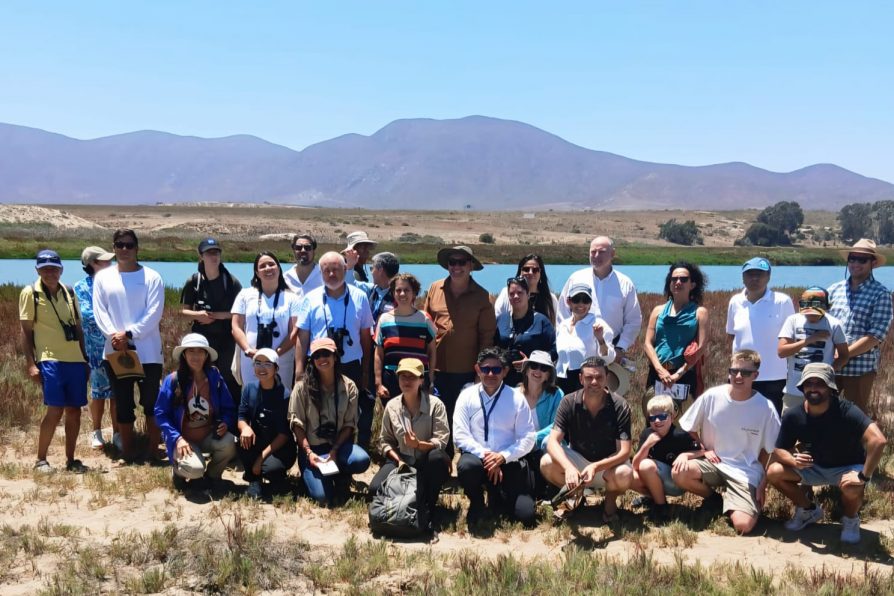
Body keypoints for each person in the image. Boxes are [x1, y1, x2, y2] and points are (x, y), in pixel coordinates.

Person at [767, 363, 887, 544]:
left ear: (830, 387)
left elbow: (878, 440)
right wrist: (793, 460)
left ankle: (850, 519)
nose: (814, 388)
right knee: (774, 472)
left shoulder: (846, 410)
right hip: (813, 467)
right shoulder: (794, 415)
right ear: (802, 387)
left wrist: (863, 476)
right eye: (809, 383)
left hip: (846, 467)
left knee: (852, 487)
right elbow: (779, 449)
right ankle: (808, 510)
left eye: (820, 383)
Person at [672, 350, 780, 535]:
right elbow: (688, 426)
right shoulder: (712, 396)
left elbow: (771, 449)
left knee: (743, 526)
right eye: (734, 371)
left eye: (746, 373)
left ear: (756, 375)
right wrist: (703, 449)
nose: (738, 377)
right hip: (714, 463)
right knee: (680, 472)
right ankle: (714, 500)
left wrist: (762, 482)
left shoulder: (765, 407)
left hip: (745, 471)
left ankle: (739, 502)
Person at [93, 228, 164, 462]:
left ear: (137, 248)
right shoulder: (103, 277)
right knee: (123, 402)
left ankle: (154, 449)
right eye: (119, 245)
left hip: (148, 353)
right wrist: (114, 336)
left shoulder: (152, 277)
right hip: (115, 352)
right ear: (113, 248)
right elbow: (99, 311)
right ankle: (128, 451)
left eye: (129, 245)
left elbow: (155, 312)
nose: (124, 249)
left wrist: (130, 334)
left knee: (151, 402)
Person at [20, 249, 90, 474]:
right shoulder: (31, 293)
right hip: (50, 359)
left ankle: (71, 459)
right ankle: (41, 459)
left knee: (75, 410)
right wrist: (31, 363)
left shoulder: (69, 292)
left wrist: (84, 358)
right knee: (55, 409)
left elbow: (78, 328)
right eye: (45, 268)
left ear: (61, 269)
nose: (50, 272)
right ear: (38, 270)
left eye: (53, 268)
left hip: (74, 360)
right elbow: (26, 332)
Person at [540, 357, 633, 523]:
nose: (594, 382)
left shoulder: (620, 405)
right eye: (589, 377)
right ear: (581, 379)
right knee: (547, 462)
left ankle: (609, 506)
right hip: (578, 462)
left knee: (625, 473)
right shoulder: (568, 401)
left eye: (599, 377)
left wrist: (596, 466)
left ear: (607, 378)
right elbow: (553, 441)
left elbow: (625, 451)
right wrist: (568, 468)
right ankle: (576, 496)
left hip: (607, 466)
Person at [296, 251, 374, 446]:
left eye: (336, 269)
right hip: (318, 365)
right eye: (326, 270)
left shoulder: (360, 297)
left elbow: (366, 337)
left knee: (349, 414)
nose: (331, 274)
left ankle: (346, 457)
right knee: (315, 411)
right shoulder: (311, 298)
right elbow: (302, 336)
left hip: (350, 366)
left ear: (345, 269)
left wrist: (365, 370)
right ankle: (316, 454)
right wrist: (299, 370)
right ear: (321, 273)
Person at [424, 246, 497, 453]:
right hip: (436, 368)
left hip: (466, 370)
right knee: (439, 418)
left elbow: (487, 338)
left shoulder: (482, 297)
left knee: (467, 418)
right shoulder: (434, 289)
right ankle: (442, 460)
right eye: (452, 262)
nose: (456, 267)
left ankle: (468, 460)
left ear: (471, 266)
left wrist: (480, 372)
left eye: (461, 262)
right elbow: (426, 326)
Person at [454, 347, 537, 526]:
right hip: (477, 460)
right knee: (466, 466)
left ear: (505, 371)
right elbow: (460, 435)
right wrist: (487, 456)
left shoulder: (516, 398)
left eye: (496, 369)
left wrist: (502, 457)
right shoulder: (466, 396)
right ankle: (476, 502)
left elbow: (528, 438)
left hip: (508, 461)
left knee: (526, 516)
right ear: (477, 369)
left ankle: (498, 497)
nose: (490, 373)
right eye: (485, 369)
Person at [369, 358, 451, 529]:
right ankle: (399, 508)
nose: (406, 381)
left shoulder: (436, 405)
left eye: (412, 377)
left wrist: (419, 444)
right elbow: (385, 440)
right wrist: (398, 460)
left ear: (421, 379)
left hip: (426, 460)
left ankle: (430, 506)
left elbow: (441, 440)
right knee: (374, 488)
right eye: (402, 376)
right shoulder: (392, 406)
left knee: (436, 458)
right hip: (401, 459)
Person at [289, 338, 371, 505]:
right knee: (323, 498)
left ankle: (341, 475)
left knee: (361, 459)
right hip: (312, 450)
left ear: (335, 357)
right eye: (317, 356)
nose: (322, 359)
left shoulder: (349, 387)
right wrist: (309, 452)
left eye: (326, 354)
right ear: (312, 360)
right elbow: (297, 425)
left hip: (338, 447)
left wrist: (334, 451)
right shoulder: (300, 388)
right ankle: (312, 476)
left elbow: (349, 425)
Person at [155, 334, 237, 489]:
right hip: (183, 440)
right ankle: (179, 472)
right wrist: (177, 438)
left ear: (206, 355)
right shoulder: (173, 380)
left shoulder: (215, 378)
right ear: (184, 355)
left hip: (208, 435)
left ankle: (212, 476)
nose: (196, 356)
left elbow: (229, 408)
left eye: (200, 351)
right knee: (195, 470)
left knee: (230, 442)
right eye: (191, 351)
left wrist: (225, 422)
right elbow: (161, 414)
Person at [827, 239, 893, 413]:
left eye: (862, 260)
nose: (856, 263)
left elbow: (876, 335)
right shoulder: (834, 290)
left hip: (860, 369)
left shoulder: (881, 294)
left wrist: (844, 354)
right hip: (830, 366)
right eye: (852, 258)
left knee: (854, 419)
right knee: (823, 414)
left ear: (872, 263)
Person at [726, 257, 795, 414]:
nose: (754, 278)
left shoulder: (782, 301)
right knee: (740, 419)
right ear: (743, 277)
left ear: (768, 277)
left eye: (759, 274)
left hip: (774, 378)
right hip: (741, 375)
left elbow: (792, 337)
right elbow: (731, 336)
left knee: (772, 424)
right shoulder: (735, 301)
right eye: (750, 274)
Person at [558, 236, 642, 362]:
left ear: (612, 253)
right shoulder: (576, 279)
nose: (596, 255)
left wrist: (620, 348)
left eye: (601, 252)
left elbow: (633, 320)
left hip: (612, 351)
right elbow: (563, 313)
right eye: (593, 252)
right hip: (578, 348)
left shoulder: (625, 284)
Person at [180, 237, 242, 402]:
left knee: (229, 379)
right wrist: (198, 315)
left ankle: (231, 422)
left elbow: (241, 312)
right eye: (209, 253)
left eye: (217, 252)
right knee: (200, 377)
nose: (214, 256)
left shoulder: (231, 282)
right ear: (201, 256)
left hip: (226, 340)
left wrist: (217, 316)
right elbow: (184, 311)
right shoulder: (194, 281)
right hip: (202, 341)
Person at [643, 262, 708, 412]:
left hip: (684, 375)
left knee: (682, 424)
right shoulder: (657, 311)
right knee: (655, 419)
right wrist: (660, 371)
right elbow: (648, 343)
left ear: (692, 284)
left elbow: (702, 347)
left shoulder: (700, 313)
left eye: (684, 279)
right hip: (658, 375)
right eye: (674, 279)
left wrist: (678, 374)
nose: (678, 282)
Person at [231, 251, 300, 388]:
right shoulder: (245, 295)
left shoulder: (292, 298)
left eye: (271, 264)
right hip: (251, 360)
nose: (268, 268)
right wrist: (248, 350)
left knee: (280, 400)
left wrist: (276, 353)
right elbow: (236, 326)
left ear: (279, 268)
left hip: (280, 360)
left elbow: (295, 331)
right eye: (262, 266)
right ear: (257, 272)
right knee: (251, 399)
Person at [630, 394, 702, 523]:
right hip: (656, 480)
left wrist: (685, 455)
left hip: (676, 481)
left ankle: (661, 508)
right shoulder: (647, 433)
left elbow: (702, 450)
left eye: (662, 416)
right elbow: (635, 465)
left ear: (672, 416)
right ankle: (657, 502)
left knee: (646, 465)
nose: (657, 421)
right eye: (653, 418)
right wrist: (646, 445)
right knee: (631, 475)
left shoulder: (679, 435)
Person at [73, 245, 118, 450]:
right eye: (104, 261)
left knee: (118, 391)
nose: (110, 263)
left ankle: (118, 431)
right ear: (92, 264)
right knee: (99, 392)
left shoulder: (116, 283)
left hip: (118, 345)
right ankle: (97, 431)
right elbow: (88, 316)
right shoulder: (81, 287)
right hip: (95, 347)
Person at [237, 348, 297, 500]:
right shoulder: (249, 388)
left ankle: (275, 476)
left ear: (276, 368)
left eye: (267, 364)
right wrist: (245, 428)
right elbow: (241, 416)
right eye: (258, 363)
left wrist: (261, 459)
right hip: (258, 440)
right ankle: (254, 480)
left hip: (280, 447)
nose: (261, 368)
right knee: (241, 441)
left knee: (271, 470)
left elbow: (284, 434)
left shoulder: (285, 395)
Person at [777, 287, 849, 413]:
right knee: (790, 427)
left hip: (822, 389)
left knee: (822, 427)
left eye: (815, 313)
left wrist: (828, 372)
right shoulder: (793, 321)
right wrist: (809, 340)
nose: (811, 315)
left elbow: (844, 356)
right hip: (794, 390)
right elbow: (782, 352)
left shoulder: (834, 324)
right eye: (807, 312)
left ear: (827, 307)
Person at [374, 273, 437, 400]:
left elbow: (432, 352)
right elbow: (378, 354)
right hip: (392, 380)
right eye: (398, 290)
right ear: (393, 293)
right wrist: (379, 383)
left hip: (418, 379)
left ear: (414, 293)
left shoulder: (424, 319)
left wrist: (430, 379)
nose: (402, 294)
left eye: (407, 290)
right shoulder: (384, 319)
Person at [494, 276, 556, 386]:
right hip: (502, 381)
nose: (516, 296)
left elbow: (554, 351)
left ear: (528, 294)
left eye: (520, 292)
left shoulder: (541, 321)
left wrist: (531, 362)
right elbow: (492, 346)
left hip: (531, 382)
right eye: (512, 293)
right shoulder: (501, 319)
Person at [555, 283, 615, 394]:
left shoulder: (599, 324)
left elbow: (609, 359)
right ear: (569, 301)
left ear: (591, 303)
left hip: (586, 380)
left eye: (586, 300)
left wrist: (601, 339)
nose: (581, 304)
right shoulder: (563, 325)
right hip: (560, 379)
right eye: (576, 299)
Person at [518, 351, 564, 496]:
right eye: (534, 366)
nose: (538, 371)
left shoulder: (556, 394)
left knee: (547, 442)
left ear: (548, 374)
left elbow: (557, 425)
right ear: (526, 370)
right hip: (519, 448)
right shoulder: (514, 394)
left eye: (543, 368)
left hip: (543, 447)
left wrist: (532, 438)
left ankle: (555, 487)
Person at [494, 254, 559, 325]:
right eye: (526, 269)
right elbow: (497, 319)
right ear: (520, 272)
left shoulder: (550, 299)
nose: (530, 273)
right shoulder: (506, 294)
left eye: (535, 270)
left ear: (541, 274)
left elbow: (557, 326)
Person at [284, 233, 323, 299]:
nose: (303, 250)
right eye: (298, 247)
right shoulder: (285, 278)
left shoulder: (324, 276)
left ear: (314, 251)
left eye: (307, 247)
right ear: (293, 251)